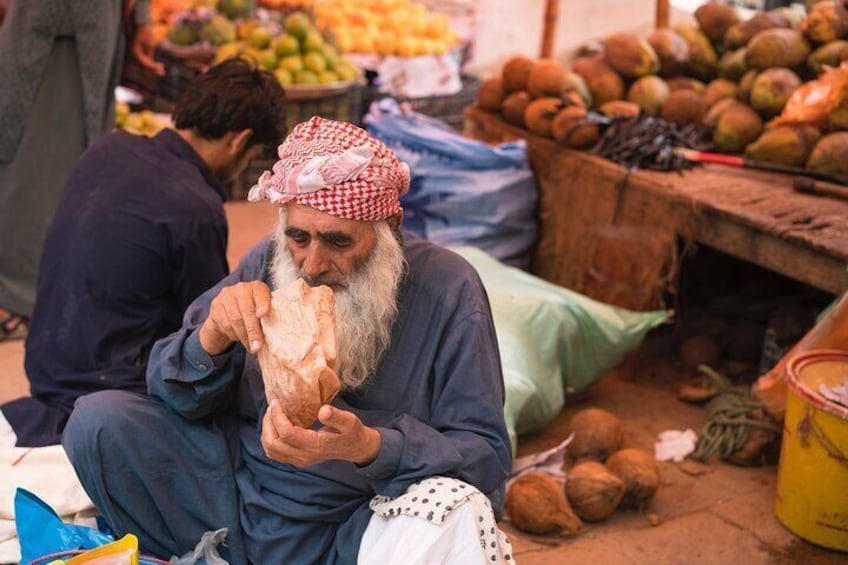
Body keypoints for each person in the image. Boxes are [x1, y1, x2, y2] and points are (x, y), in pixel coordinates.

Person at [63, 117, 515, 564]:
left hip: (358, 523)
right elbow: (169, 391)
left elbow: (485, 456)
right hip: (235, 496)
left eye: (338, 242)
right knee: (98, 421)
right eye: (299, 236)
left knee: (454, 509)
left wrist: (368, 447)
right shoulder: (268, 258)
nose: (313, 263)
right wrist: (212, 337)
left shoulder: (449, 288)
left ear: (389, 226)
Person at [1, 58, 287, 447]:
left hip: (45, 365)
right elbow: (206, 328)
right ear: (240, 141)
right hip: (106, 391)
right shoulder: (195, 206)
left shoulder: (107, 148)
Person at [0, 0, 163, 336]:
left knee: (73, 152)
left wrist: (142, 17)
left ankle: (39, 299)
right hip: (38, 17)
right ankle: (19, 297)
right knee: (22, 148)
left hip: (92, 20)